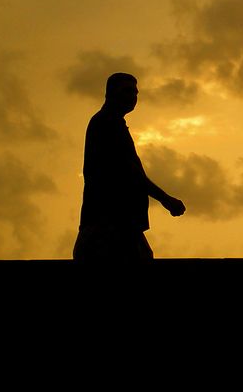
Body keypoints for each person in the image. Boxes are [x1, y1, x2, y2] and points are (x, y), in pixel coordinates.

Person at [74, 73, 185, 261]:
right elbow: (128, 171)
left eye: (135, 93)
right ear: (111, 93)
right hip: (109, 223)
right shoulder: (106, 123)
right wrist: (165, 198)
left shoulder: (112, 123)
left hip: (120, 223)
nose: (132, 97)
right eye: (127, 91)